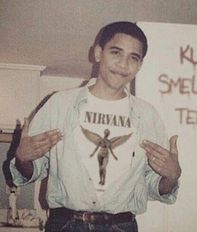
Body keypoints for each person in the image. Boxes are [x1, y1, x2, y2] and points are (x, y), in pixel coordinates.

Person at [10, 21, 181, 232]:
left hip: (122, 226)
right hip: (65, 225)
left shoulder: (148, 116)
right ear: (98, 53)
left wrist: (172, 177)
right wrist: (22, 159)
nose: (123, 64)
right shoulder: (59, 104)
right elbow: (32, 171)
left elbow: (156, 186)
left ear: (139, 65)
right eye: (116, 52)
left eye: (133, 58)